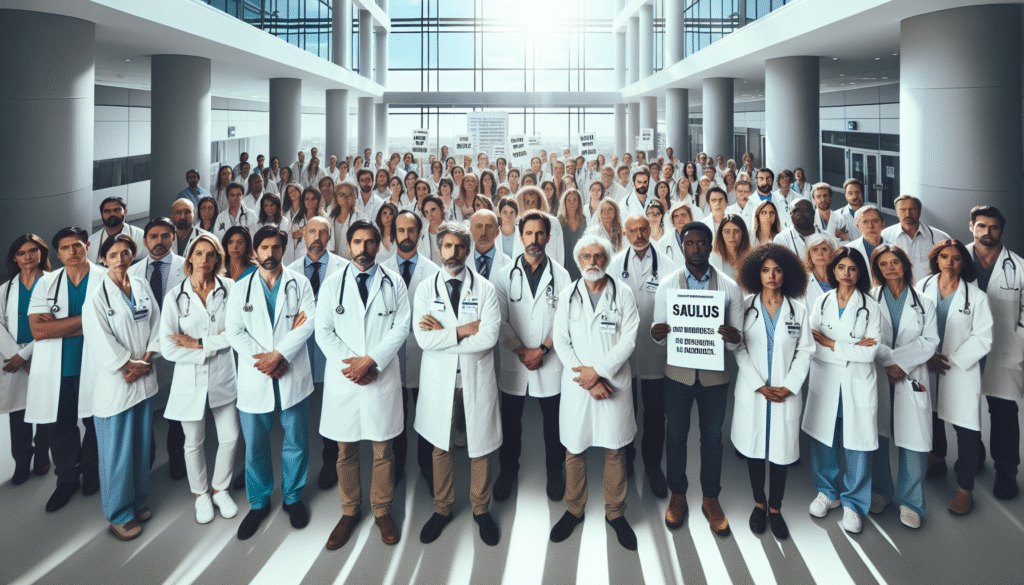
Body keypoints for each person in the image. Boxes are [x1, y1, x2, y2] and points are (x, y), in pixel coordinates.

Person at [317, 220, 410, 549]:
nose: (364, 248)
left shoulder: (394, 282)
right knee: (346, 452)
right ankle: (349, 510)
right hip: (346, 380)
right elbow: (323, 331)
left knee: (383, 451)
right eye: (357, 242)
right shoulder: (332, 285)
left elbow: (401, 327)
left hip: (380, 375)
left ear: (378, 244)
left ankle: (382, 511)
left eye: (371, 242)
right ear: (349, 244)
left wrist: (371, 361)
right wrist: (353, 365)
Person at [549, 235, 641, 550]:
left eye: (599, 256)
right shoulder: (567, 295)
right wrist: (589, 378)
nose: (593, 262)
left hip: (612, 382)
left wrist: (598, 372)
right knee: (574, 450)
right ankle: (574, 508)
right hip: (580, 386)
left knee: (615, 450)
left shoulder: (624, 294)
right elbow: (561, 341)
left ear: (608, 259)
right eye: (586, 256)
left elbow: (628, 340)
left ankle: (615, 512)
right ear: (578, 262)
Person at [652, 221, 743, 536]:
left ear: (710, 245)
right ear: (683, 246)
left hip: (715, 378)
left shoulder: (730, 288)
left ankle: (710, 498)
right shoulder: (667, 286)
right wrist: (657, 334)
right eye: (689, 243)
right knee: (675, 435)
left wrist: (732, 337)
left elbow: (737, 341)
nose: (696, 249)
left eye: (702, 243)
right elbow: (659, 333)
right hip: (677, 375)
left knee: (712, 438)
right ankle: (678, 494)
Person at [414, 222, 503, 547]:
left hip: (474, 379)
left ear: (467, 251)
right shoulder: (426, 289)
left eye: (459, 247)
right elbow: (424, 339)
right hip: (440, 382)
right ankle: (442, 508)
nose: (453, 253)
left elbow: (489, 337)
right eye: (447, 246)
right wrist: (466, 330)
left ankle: (481, 510)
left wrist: (445, 335)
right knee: (441, 445)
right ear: (439, 250)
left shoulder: (485, 290)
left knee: (479, 446)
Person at [225, 225, 316, 540]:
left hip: (291, 373)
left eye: (276, 248)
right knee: (256, 446)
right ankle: (259, 502)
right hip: (258, 376)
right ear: (255, 252)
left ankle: (293, 497)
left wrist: (280, 355)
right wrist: (265, 359)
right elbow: (234, 331)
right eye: (264, 248)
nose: (270, 253)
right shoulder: (240, 288)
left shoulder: (299, 283)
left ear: (283, 250)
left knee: (296, 442)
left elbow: (308, 324)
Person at [733, 243, 813, 539]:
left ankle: (776, 508)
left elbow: (805, 352)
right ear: (757, 273)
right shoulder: (744, 307)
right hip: (754, 391)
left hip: (784, 391)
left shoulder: (799, 310)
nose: (771, 276)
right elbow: (738, 347)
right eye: (765, 270)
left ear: (787, 274)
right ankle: (759, 503)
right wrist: (759, 384)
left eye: (778, 270)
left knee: (780, 452)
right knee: (755, 450)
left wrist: (788, 386)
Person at [159, 234, 241, 524]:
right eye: (199, 253)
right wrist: (208, 347)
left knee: (230, 437)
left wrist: (198, 344)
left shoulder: (230, 289)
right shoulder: (174, 297)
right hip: (189, 381)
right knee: (193, 441)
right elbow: (168, 347)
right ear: (190, 257)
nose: (204, 259)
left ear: (218, 259)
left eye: (211, 254)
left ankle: (220, 489)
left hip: (223, 377)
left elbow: (236, 334)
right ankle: (201, 495)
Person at [491, 211, 572, 503]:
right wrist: (522, 351)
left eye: (540, 234)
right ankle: (508, 471)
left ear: (548, 238)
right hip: (516, 361)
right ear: (520, 236)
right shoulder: (503, 276)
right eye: (529, 234)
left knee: (554, 422)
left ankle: (554, 471)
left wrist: (543, 350)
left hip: (549, 361)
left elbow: (563, 321)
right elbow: (499, 321)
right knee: (510, 421)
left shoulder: (561, 276)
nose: (534, 240)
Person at [84, 234, 161, 540]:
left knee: (140, 448)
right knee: (117, 453)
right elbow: (100, 340)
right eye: (113, 254)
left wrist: (145, 360)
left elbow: (157, 324)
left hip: (141, 380)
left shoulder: (141, 285)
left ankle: (139, 500)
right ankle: (118, 513)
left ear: (132, 256)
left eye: (125, 253)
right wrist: (129, 365)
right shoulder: (97, 296)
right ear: (103, 259)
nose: (119, 258)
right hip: (117, 384)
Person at [802, 247, 882, 534]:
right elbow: (811, 342)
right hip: (826, 381)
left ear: (860, 272)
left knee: (857, 444)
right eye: (841, 268)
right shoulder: (821, 301)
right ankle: (828, 493)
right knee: (824, 439)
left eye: (852, 269)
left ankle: (854, 504)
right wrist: (850, 349)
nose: (846, 274)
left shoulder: (870, 307)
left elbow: (870, 352)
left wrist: (832, 344)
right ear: (833, 270)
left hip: (856, 383)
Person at [26, 228, 104, 511]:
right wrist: (87, 321)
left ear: (87, 245)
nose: (72, 252)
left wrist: (57, 326)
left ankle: (92, 469)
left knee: (96, 424)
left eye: (77, 245)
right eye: (65, 248)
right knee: (61, 427)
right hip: (58, 370)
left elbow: (111, 324)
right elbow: (38, 330)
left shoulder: (106, 278)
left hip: (96, 366)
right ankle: (67, 479)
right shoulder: (45, 283)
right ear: (57, 253)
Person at [866, 244, 938, 529]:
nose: (890, 268)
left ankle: (911, 502)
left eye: (895, 262)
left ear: (905, 265)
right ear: (877, 270)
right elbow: (868, 339)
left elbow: (930, 341)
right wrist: (888, 362)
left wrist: (899, 364)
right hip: (880, 376)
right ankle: (882, 492)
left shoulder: (924, 302)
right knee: (879, 436)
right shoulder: (869, 299)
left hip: (910, 378)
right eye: (883, 264)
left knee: (914, 441)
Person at [919, 239, 993, 516]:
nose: (950, 262)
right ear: (936, 260)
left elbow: (983, 337)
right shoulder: (922, 289)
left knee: (967, 428)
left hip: (960, 369)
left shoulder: (977, 298)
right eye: (944, 257)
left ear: (964, 263)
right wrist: (927, 356)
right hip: (928, 364)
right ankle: (937, 459)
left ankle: (965, 489)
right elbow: (913, 328)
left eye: (957, 258)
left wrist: (951, 360)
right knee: (933, 416)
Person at [608, 214, 679, 497]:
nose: (638, 235)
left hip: (655, 351)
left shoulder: (670, 267)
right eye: (633, 231)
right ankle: (626, 458)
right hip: (622, 351)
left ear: (650, 230)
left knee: (654, 412)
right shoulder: (614, 265)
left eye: (643, 229)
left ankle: (652, 465)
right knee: (625, 410)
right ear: (625, 234)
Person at [285, 216, 347, 489]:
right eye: (312, 231)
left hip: (331, 348)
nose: (317, 237)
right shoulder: (291, 270)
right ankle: (296, 469)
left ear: (330, 236)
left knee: (333, 408)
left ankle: (331, 461)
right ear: (303, 235)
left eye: (323, 232)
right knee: (297, 414)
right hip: (301, 350)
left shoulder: (344, 269)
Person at [967, 206, 1024, 499]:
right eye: (981, 226)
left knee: (1003, 412)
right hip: (965, 347)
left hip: (1004, 348)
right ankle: (973, 454)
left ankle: (1005, 471)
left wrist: (1019, 343)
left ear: (1001, 231)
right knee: (965, 407)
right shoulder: (955, 260)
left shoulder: (1019, 266)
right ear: (971, 227)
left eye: (994, 228)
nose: (987, 233)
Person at [382, 210, 439, 492]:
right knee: (395, 415)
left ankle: (428, 469)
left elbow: (440, 320)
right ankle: (398, 466)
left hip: (424, 353)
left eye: (411, 230)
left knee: (427, 414)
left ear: (420, 233)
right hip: (391, 353)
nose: (406, 236)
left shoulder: (435, 272)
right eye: (400, 230)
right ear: (394, 234)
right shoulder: (381, 269)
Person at [127, 217, 187, 478]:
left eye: (165, 236)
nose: (159, 241)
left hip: (179, 346)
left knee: (178, 406)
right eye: (153, 236)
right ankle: (146, 457)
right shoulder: (132, 272)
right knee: (145, 406)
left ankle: (177, 456)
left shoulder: (188, 268)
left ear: (174, 237)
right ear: (145, 241)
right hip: (144, 350)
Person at [2, 235, 52, 485]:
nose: (28, 256)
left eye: (33, 250)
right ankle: (22, 462)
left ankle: (43, 454)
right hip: (13, 355)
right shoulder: (6, 288)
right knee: (18, 413)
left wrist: (27, 355)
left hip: (45, 352)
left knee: (43, 410)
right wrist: (16, 355)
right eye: (21, 253)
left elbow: (55, 325)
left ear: (42, 253)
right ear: (15, 258)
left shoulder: (55, 284)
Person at [882, 195, 951, 283]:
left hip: (928, 292)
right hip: (897, 292)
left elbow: (948, 269)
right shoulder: (884, 236)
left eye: (912, 209)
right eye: (903, 210)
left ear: (919, 211)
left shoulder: (940, 237)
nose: (908, 214)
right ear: (897, 211)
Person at [513, 186, 565, 266]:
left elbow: (560, 251)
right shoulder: (520, 224)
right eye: (527, 202)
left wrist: (558, 270)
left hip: (550, 266)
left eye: (533, 202)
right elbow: (517, 251)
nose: (530, 205)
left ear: (539, 203)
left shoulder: (553, 221)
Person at [88, 197, 147, 265]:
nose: (112, 214)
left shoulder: (141, 235)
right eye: (107, 211)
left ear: (125, 211)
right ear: (102, 214)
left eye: (116, 210)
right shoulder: (92, 239)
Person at [469, 209, 509, 280]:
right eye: (479, 226)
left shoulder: (508, 264)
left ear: (497, 232)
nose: (483, 233)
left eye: (489, 226)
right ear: (471, 230)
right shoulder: (463, 261)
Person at [803, 232, 840, 309]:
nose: (820, 254)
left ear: (832, 253)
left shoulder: (840, 278)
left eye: (824, 249)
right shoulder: (802, 281)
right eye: (815, 249)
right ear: (810, 255)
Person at [558, 189, 588, 281]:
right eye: (569, 200)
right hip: (564, 263)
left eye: (575, 200)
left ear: (579, 202)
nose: (572, 203)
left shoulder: (585, 221)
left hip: (581, 264)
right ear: (564, 202)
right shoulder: (559, 221)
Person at [710, 214, 751, 279]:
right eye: (727, 231)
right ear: (721, 234)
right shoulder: (713, 258)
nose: (732, 236)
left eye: (736, 231)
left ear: (743, 233)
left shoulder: (750, 258)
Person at [330, 183, 360, 260]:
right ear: (336, 197)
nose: (345, 198)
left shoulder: (359, 218)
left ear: (355, 197)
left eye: (349, 195)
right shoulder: (330, 219)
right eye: (341, 195)